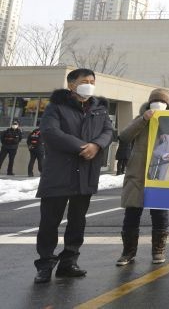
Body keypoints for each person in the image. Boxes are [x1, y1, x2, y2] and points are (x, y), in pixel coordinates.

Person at [34, 68, 113, 284]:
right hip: (59, 172)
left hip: (86, 172)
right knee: (50, 221)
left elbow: (108, 131)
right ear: (71, 84)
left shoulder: (100, 108)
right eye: (84, 81)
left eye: (92, 81)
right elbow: (50, 132)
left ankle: (69, 261)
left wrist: (97, 145)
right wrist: (81, 147)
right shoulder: (56, 106)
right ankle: (45, 264)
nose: (89, 84)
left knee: (77, 221)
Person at [116, 88, 169, 266]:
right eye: (155, 101)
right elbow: (124, 136)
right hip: (138, 173)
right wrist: (144, 119)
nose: (159, 104)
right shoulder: (140, 120)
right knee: (132, 213)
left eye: (163, 102)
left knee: (159, 214)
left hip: (162, 174)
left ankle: (158, 250)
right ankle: (128, 252)